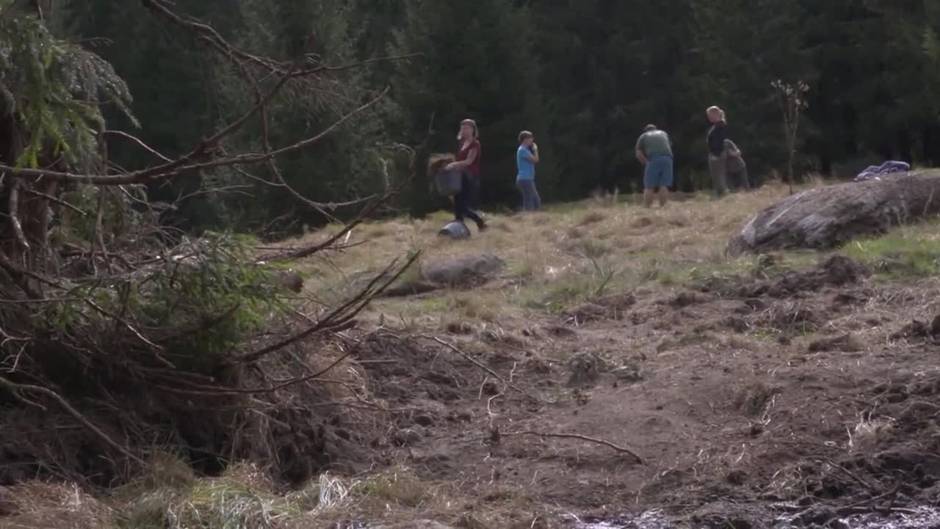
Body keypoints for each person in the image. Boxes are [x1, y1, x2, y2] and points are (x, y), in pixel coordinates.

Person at [445, 119, 486, 231]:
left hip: (470, 177)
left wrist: (453, 164)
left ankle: (479, 221)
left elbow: (469, 161)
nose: (465, 130)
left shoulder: (475, 144)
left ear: (473, 130)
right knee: (457, 206)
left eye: (467, 128)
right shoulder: (462, 143)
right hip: (459, 177)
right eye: (463, 128)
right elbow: (460, 161)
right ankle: (459, 231)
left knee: (462, 207)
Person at [634, 124, 674, 208]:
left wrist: (646, 163)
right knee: (664, 185)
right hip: (668, 158)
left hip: (654, 158)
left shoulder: (643, 136)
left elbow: (638, 153)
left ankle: (647, 206)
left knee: (649, 186)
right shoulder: (663, 133)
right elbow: (669, 145)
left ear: (646, 130)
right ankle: (663, 206)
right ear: (655, 129)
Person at [706, 106, 729, 197]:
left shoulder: (720, 125)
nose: (708, 117)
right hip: (715, 153)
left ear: (715, 114)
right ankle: (720, 194)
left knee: (719, 175)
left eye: (709, 115)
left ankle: (723, 193)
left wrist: (716, 153)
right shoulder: (717, 125)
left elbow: (719, 140)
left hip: (717, 154)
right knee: (716, 176)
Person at [516, 131, 541, 211]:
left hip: (527, 179)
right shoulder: (522, 150)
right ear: (525, 139)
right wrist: (535, 149)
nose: (532, 140)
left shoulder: (525, 150)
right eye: (530, 138)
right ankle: (529, 219)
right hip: (525, 179)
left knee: (533, 201)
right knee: (532, 201)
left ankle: (529, 218)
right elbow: (535, 160)